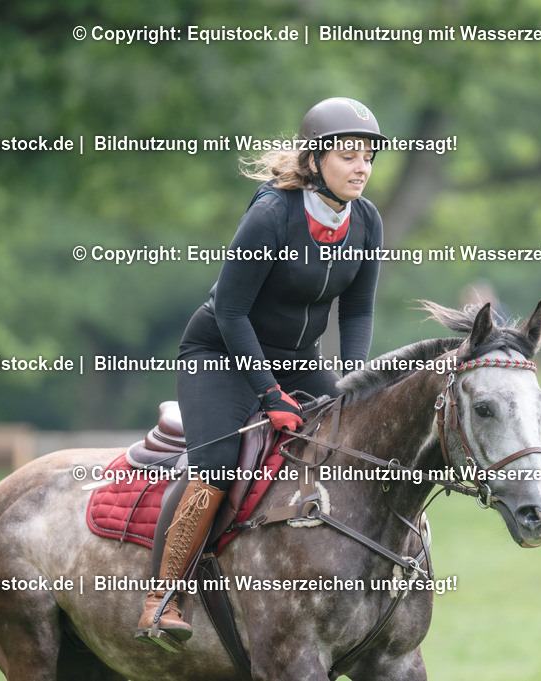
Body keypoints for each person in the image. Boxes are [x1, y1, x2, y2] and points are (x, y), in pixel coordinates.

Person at [136, 97, 386, 645]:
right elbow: (230, 312)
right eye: (349, 155)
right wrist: (268, 392)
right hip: (220, 353)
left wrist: (355, 381)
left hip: (297, 361)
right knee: (218, 464)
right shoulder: (272, 215)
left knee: (356, 440)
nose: (362, 166)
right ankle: (164, 594)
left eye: (368, 155)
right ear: (317, 161)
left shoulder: (366, 221)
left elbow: (359, 310)